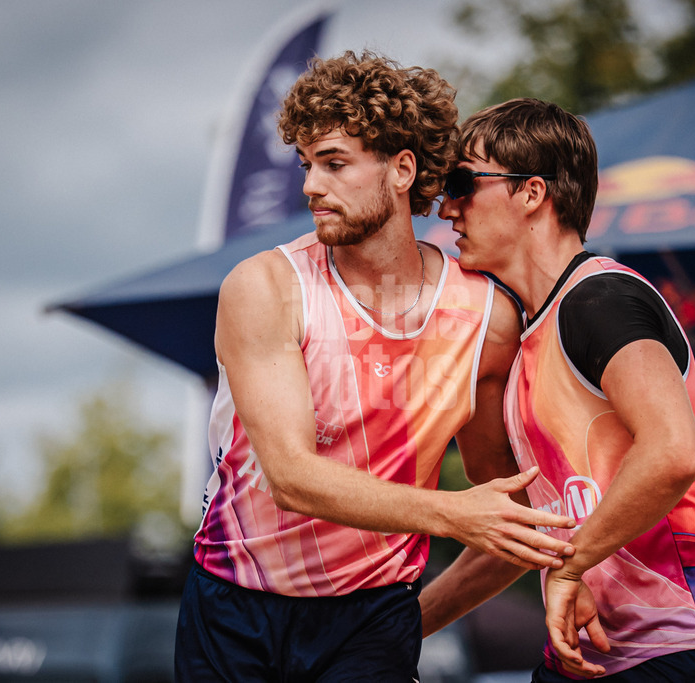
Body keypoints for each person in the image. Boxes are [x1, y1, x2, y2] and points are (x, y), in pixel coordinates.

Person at [174, 55, 577, 682]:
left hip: (375, 613)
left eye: (334, 163)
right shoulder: (265, 286)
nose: (310, 184)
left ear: (402, 170)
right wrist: (452, 513)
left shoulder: (487, 316)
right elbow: (292, 478)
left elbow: (508, 511)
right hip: (235, 604)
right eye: (306, 165)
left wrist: (410, 621)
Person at [422, 98, 695, 681]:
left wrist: (572, 570)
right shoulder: (528, 333)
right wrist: (403, 627)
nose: (446, 205)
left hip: (680, 648)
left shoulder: (599, 300)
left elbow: (673, 452)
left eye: (462, 182)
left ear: (531, 193)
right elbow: (530, 526)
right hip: (586, 656)